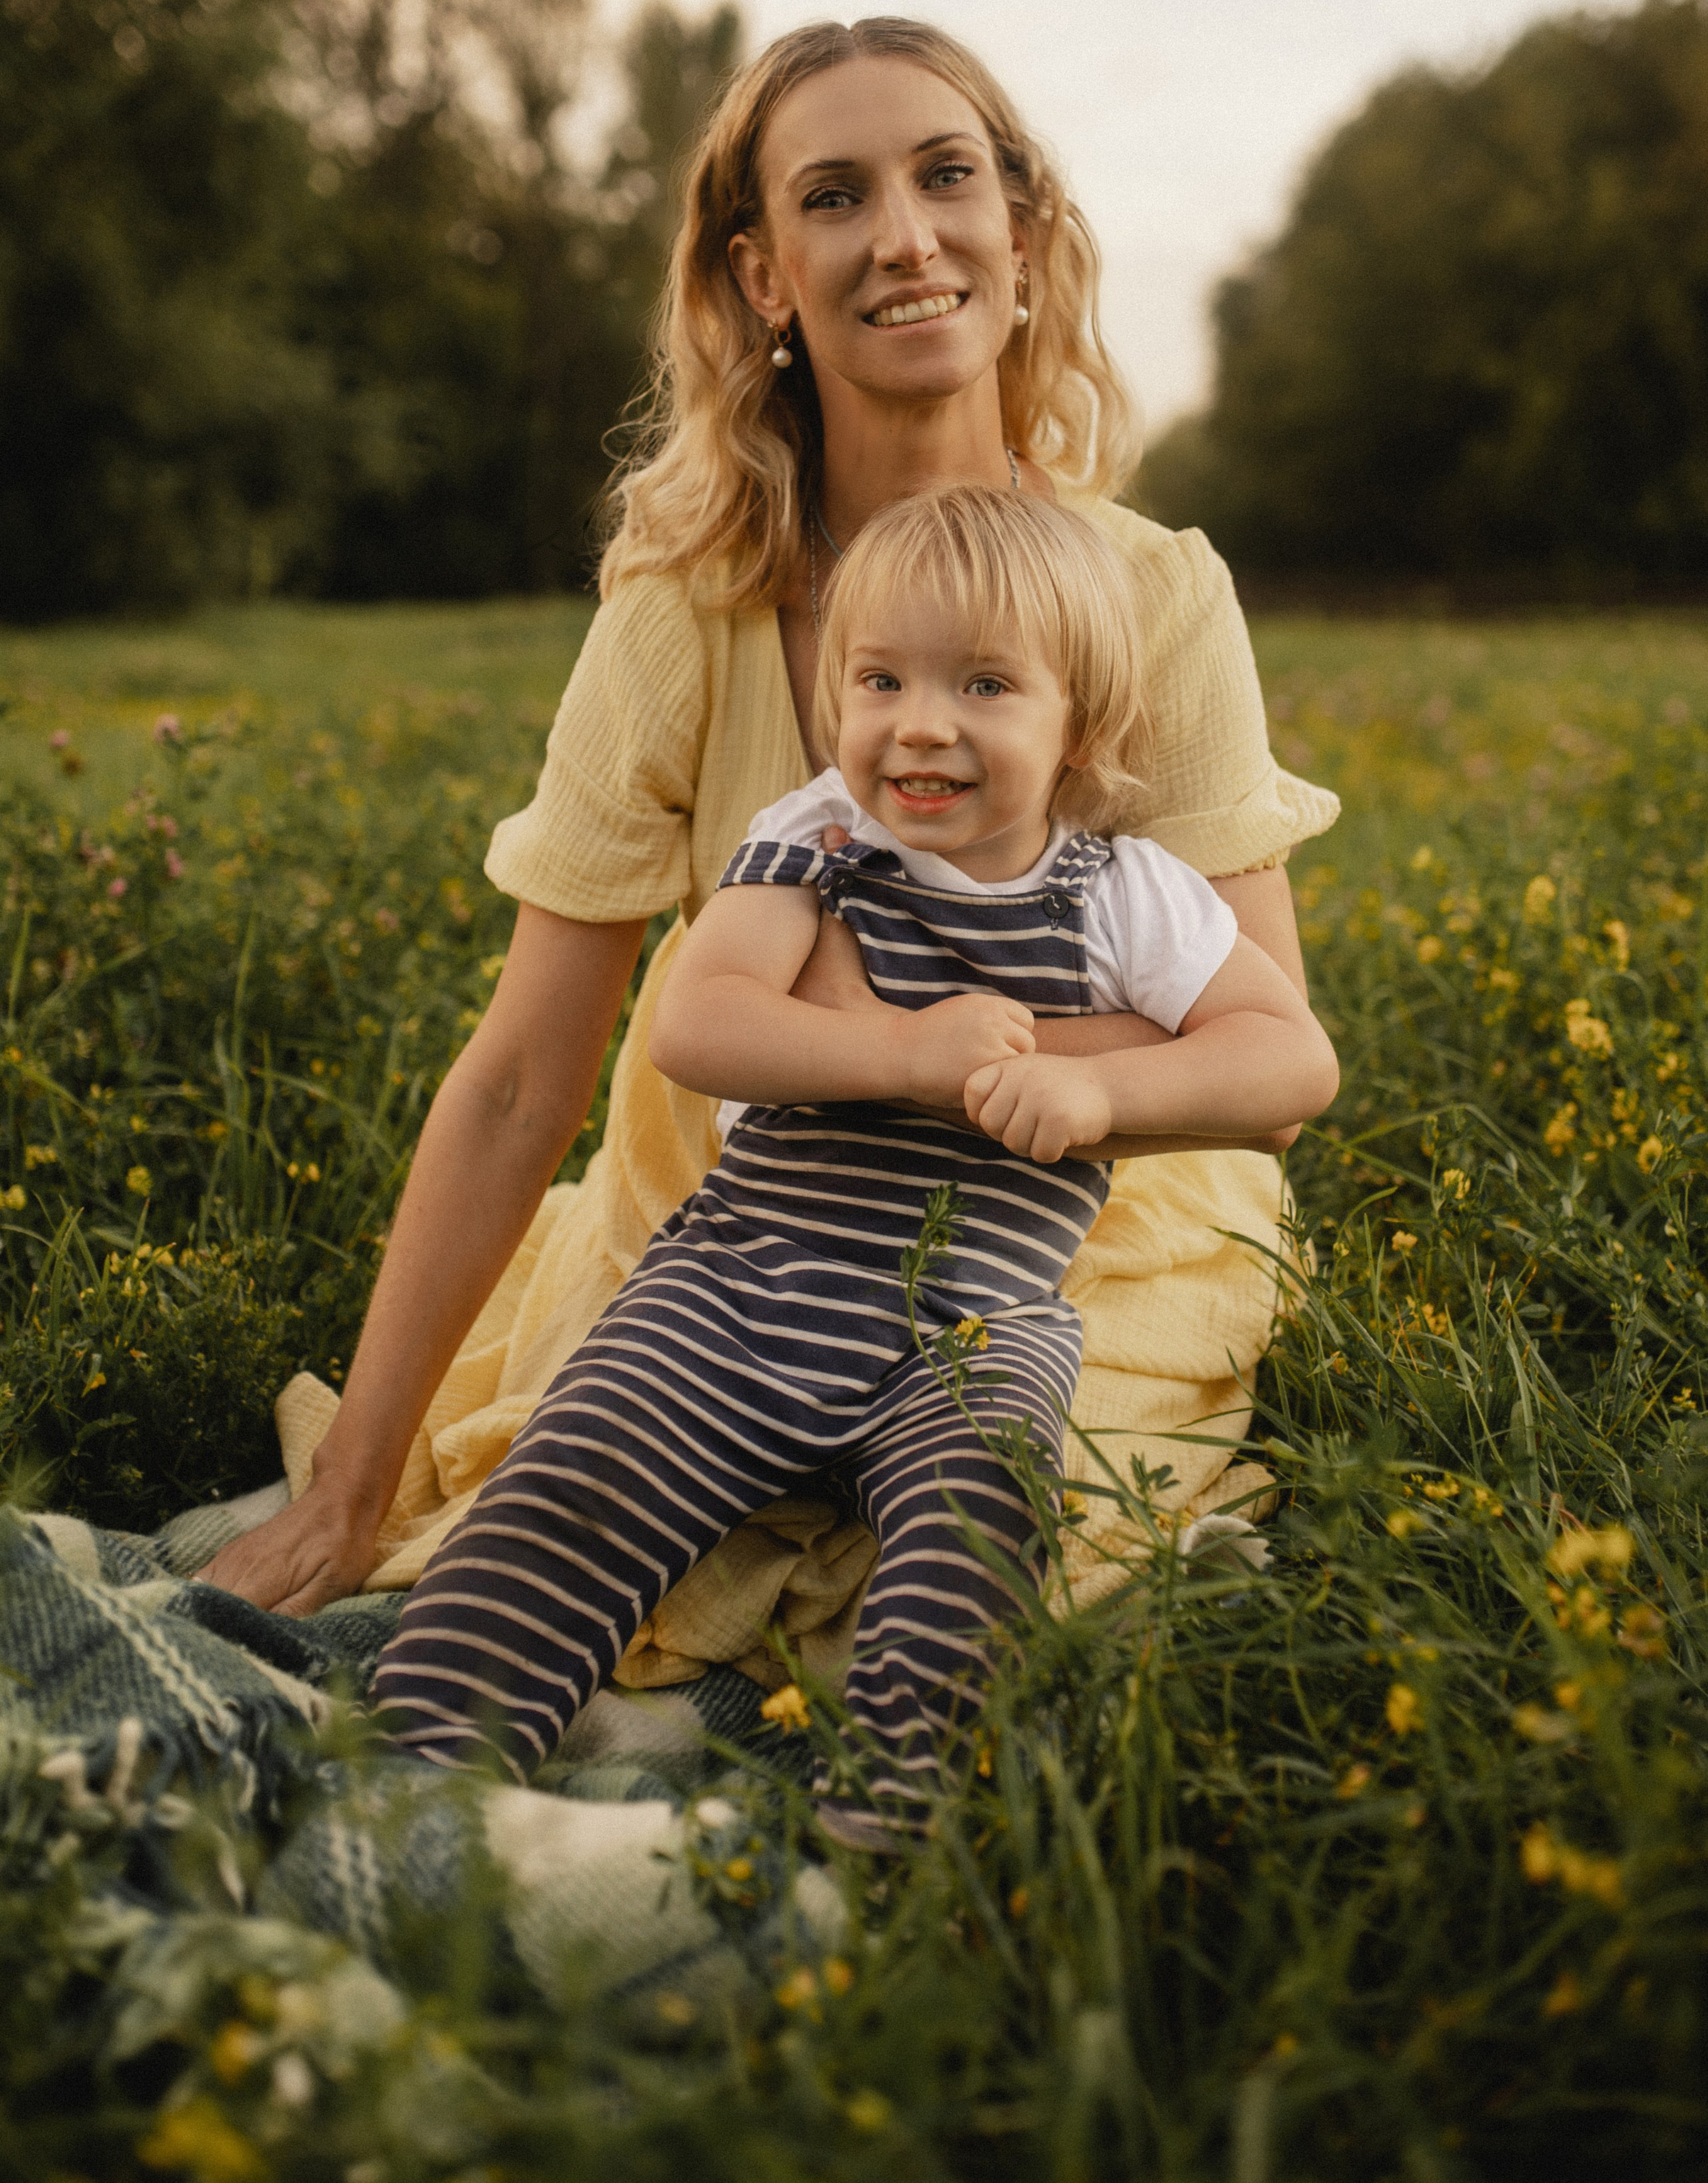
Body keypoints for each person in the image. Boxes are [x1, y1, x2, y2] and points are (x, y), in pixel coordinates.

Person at [200, 13, 1339, 1629]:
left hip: (1087, 1212)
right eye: (833, 196)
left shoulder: (1153, 592)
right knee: (576, 1535)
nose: (902, 236)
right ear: (759, 278)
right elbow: (528, 1068)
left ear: (1019, 237)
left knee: (1008, 1560)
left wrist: (946, 1053)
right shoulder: (684, 612)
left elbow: (1267, 1068)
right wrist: (348, 1491)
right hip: (749, 1209)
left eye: (947, 177)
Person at [369, 487, 1338, 1829]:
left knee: (982, 1530)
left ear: (1080, 729)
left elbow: (1293, 1061)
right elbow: (698, 1023)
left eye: (986, 684)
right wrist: (904, 1053)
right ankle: (419, 1764)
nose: (921, 722)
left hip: (980, 1317)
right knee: (578, 1473)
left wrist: (1098, 1087)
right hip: (750, 1281)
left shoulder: (1125, 895)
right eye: (879, 678)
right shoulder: (816, 839)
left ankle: (892, 1806)